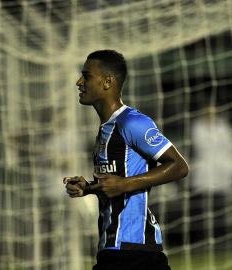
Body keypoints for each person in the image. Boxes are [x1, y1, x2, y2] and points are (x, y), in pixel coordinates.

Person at [63, 50, 189, 270]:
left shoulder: (132, 122)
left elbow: (179, 166)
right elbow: (118, 181)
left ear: (107, 82)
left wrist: (124, 184)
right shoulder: (106, 129)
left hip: (136, 252)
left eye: (87, 76)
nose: (79, 82)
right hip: (112, 249)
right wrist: (90, 188)